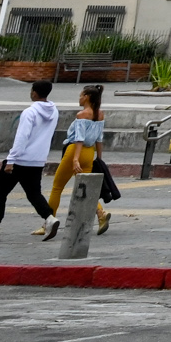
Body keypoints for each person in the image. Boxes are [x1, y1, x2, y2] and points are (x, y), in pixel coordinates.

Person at [0, 77, 59, 241]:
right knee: (34, 193)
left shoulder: (30, 112)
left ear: (34, 93)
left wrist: (11, 160)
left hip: (20, 160)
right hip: (37, 160)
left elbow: (22, 137)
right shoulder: (54, 111)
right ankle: (50, 218)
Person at [44, 86, 118, 239]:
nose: (79, 98)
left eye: (80, 95)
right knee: (86, 187)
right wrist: (100, 158)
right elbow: (99, 139)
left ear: (86, 97)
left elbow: (79, 138)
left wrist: (75, 158)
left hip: (74, 151)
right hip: (90, 152)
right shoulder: (100, 115)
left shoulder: (82, 115)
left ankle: (48, 222)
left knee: (57, 187)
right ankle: (101, 213)